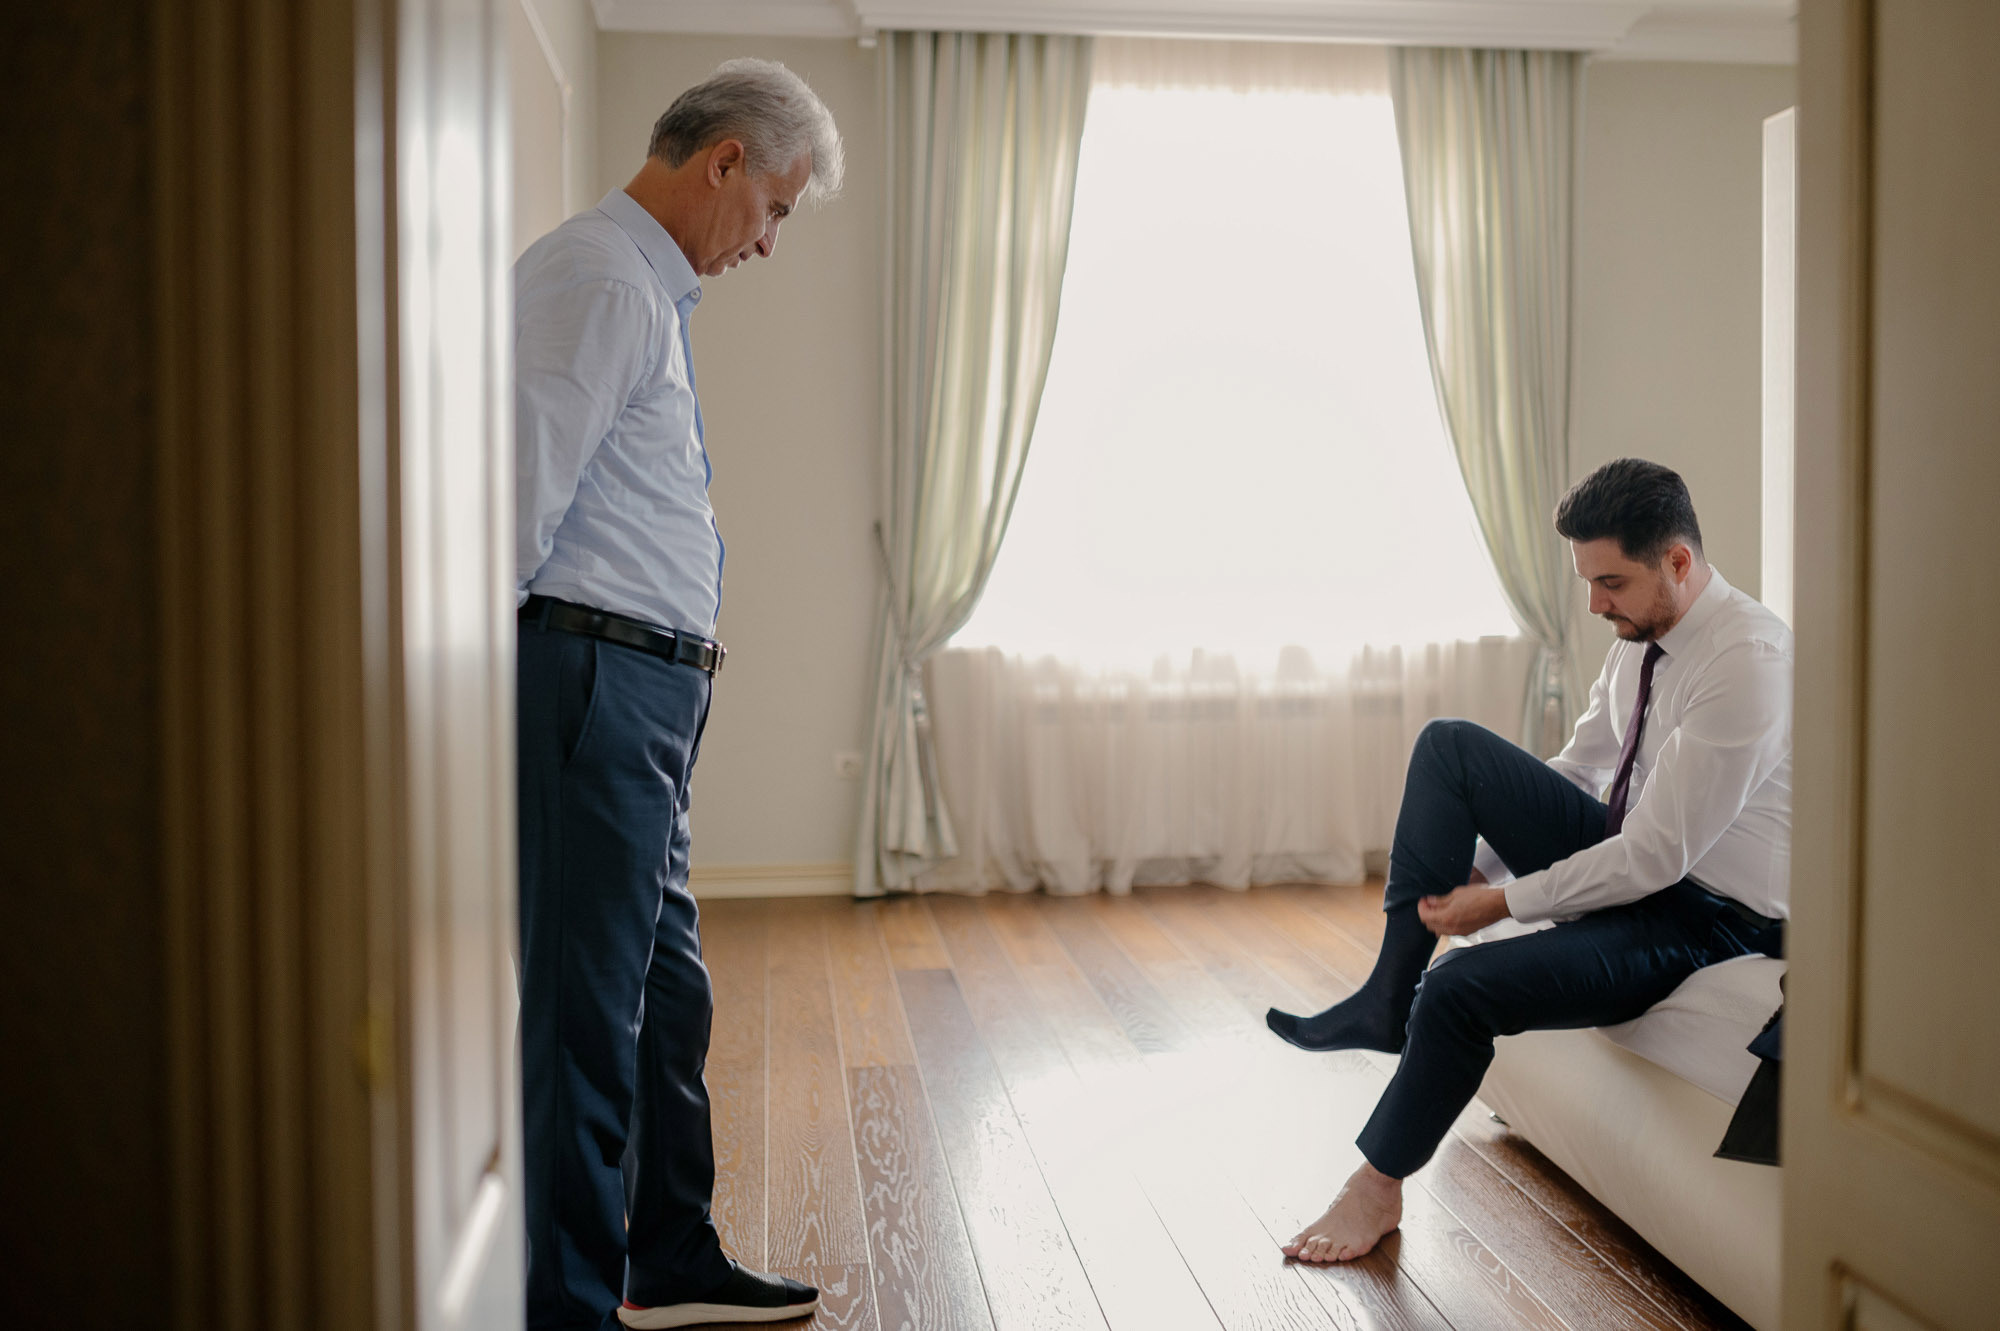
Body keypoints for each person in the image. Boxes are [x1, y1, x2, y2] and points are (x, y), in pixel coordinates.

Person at [1265, 458, 1790, 1263]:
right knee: (1450, 747)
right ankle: (1385, 994)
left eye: (1610, 582)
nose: (1594, 604)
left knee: (1458, 986)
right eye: (1588, 581)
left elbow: (1656, 856)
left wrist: (1504, 904)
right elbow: (1581, 769)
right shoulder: (1640, 636)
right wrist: (1483, 868)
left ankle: (1375, 1186)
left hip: (1705, 917)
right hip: (1640, 861)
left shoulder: (1747, 663)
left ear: (1678, 561)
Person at [512, 60, 842, 1330]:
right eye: (775, 208)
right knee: (586, 1015)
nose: (767, 241)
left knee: (663, 998)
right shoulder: (599, 277)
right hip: (594, 682)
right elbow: (511, 498)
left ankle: (668, 1253)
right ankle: (568, 1304)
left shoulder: (636, 288)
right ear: (724, 161)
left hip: (641, 693)